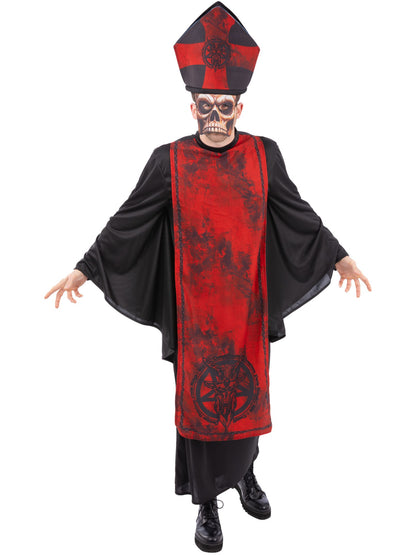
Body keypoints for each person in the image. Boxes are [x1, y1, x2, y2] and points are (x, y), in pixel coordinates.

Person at [44, 2, 372, 552]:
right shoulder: (168, 160)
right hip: (194, 312)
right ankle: (206, 502)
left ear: (240, 106)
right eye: (205, 106)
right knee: (199, 409)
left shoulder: (265, 155)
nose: (214, 116)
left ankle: (244, 474)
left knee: (247, 397)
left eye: (224, 106)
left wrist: (339, 257)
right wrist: (85, 267)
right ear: (191, 106)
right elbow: (129, 218)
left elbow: (295, 211)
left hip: (247, 306)